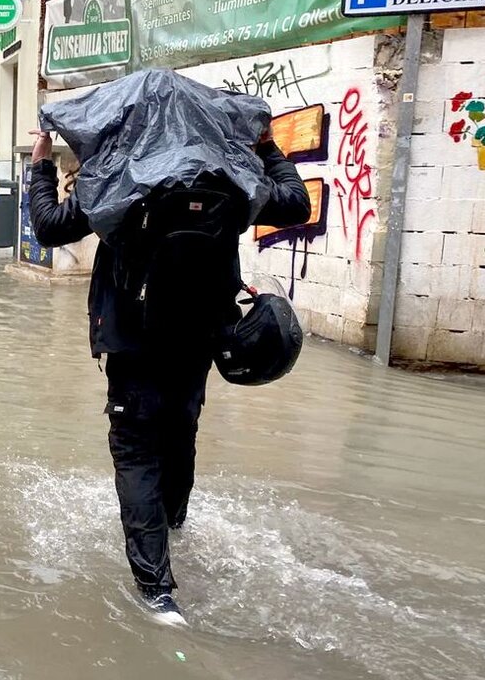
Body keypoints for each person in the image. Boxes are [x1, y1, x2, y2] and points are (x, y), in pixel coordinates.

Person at [26, 127, 311, 625]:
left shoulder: (119, 178)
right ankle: (176, 528)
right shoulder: (229, 177)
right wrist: (266, 147)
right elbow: (294, 205)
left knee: (137, 455)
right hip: (199, 343)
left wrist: (42, 164)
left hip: (132, 346)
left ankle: (157, 593)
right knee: (180, 434)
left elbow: (49, 227)